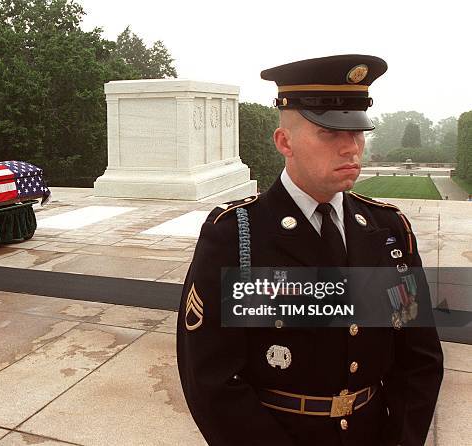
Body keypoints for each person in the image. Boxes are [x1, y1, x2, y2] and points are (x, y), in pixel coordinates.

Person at [176, 55, 444, 446]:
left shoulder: (389, 231)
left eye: (357, 133)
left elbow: (419, 361)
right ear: (285, 142)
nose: (351, 148)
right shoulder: (238, 236)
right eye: (330, 133)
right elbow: (211, 379)